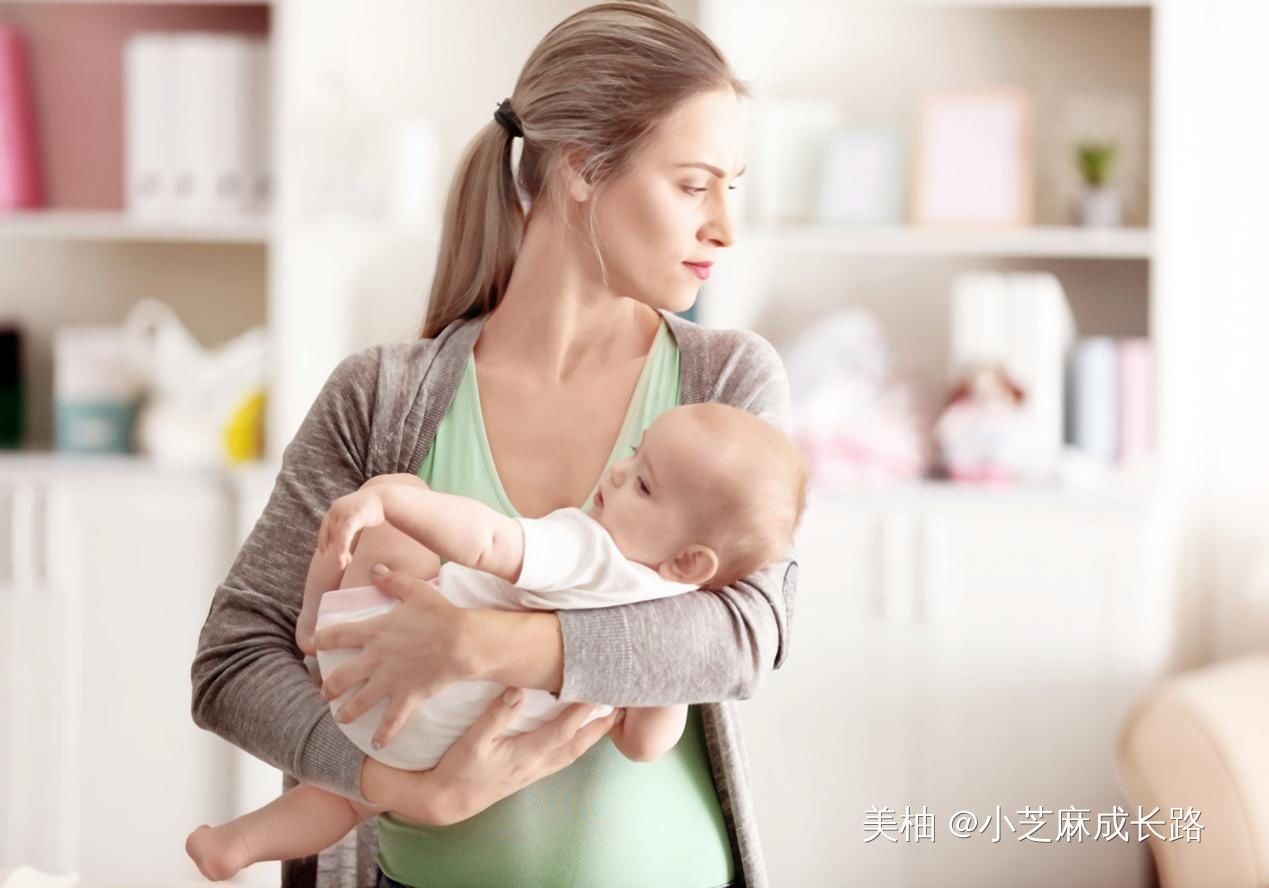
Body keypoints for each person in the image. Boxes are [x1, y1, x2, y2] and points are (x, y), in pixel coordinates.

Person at [190, 2, 799, 886]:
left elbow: (742, 636)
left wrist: (477, 644)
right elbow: (235, 658)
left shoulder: (724, 388)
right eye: (693, 184)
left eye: (729, 189)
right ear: (585, 169)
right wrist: (396, 786)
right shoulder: (381, 399)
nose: (724, 229)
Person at [185, 404, 807, 882]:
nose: (618, 474)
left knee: (398, 524)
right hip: (437, 738)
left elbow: (489, 543)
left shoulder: (589, 551)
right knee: (345, 803)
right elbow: (646, 743)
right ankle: (236, 845)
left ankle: (311, 623)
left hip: (375, 686)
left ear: (691, 560)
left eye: (643, 485)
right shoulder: (673, 621)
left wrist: (395, 498)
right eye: (634, 455)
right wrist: (660, 676)